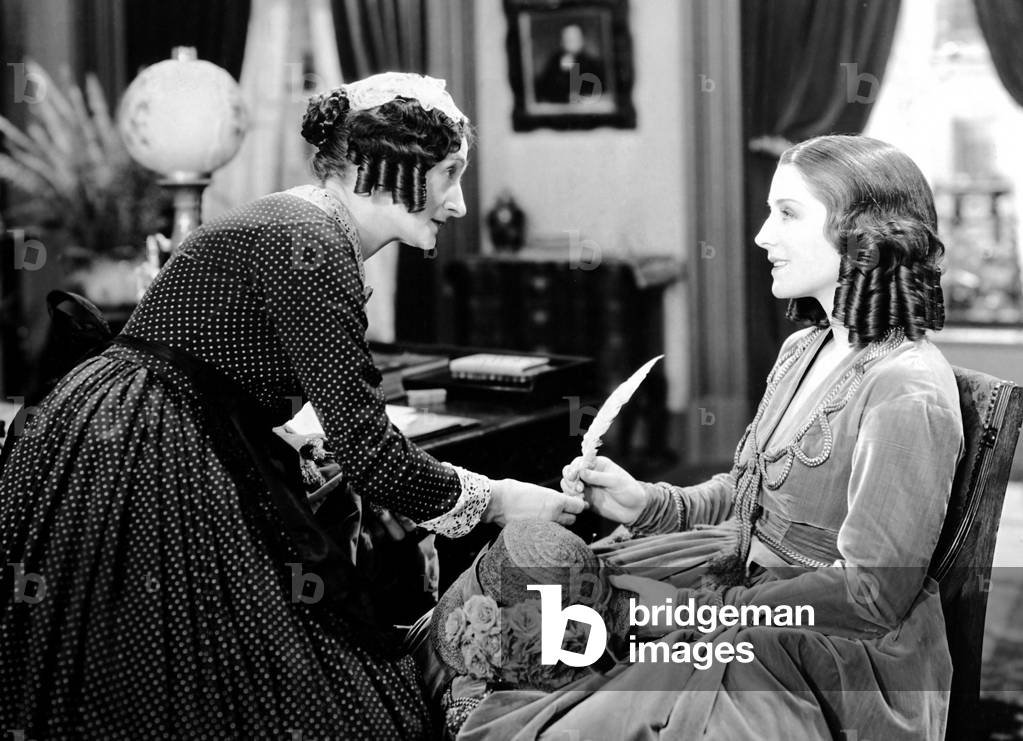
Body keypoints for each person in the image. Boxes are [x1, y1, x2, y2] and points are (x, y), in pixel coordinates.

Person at [0, 72, 584, 739]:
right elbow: (372, 455)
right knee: (283, 692)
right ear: (385, 165)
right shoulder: (309, 242)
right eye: (448, 174)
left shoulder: (302, 223)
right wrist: (505, 497)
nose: (456, 204)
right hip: (144, 447)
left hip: (146, 424)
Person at [429, 135, 962, 740]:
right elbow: (749, 494)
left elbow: (872, 597)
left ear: (862, 234)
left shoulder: (905, 389)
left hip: (815, 640)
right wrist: (650, 503)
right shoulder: (802, 349)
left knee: (582, 716)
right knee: (524, 563)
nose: (762, 235)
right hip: (733, 576)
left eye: (787, 213)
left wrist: (691, 611)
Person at [534, 23, 606, 104]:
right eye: (567, 40)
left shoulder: (592, 63)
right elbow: (543, 89)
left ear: (582, 41)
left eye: (574, 39)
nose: (570, 43)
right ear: (561, 42)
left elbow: (600, 89)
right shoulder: (554, 62)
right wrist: (562, 72)